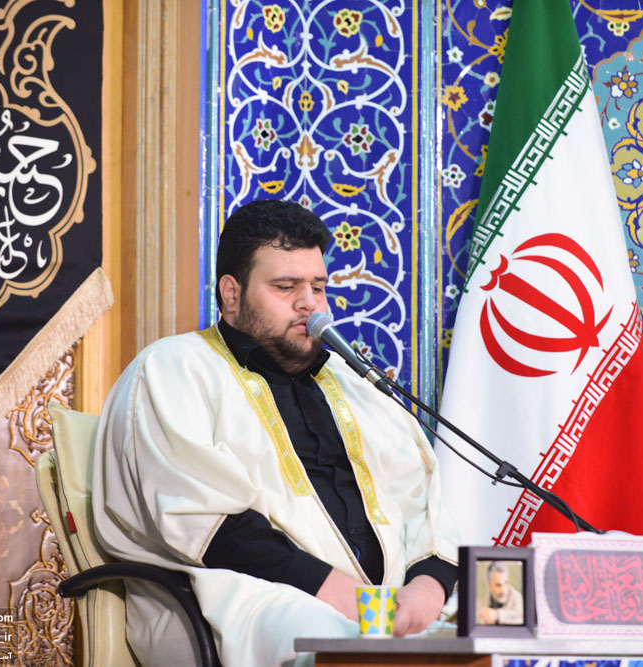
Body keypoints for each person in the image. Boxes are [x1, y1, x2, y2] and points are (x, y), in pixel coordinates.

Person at [92, 199, 460, 666]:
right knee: (331, 638)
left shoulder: (355, 384)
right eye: (286, 287)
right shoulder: (174, 368)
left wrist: (426, 589)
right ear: (231, 293)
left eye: (318, 287)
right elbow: (208, 527)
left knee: (490, 623)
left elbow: (423, 506)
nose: (309, 303)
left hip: (379, 607)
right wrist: (355, 603)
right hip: (236, 599)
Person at [477, 561, 524, 625]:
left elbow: (521, 618)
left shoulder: (517, 598)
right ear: (490, 585)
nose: (503, 590)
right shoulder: (480, 602)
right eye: (498, 585)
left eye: (506, 583)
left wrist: (497, 615)